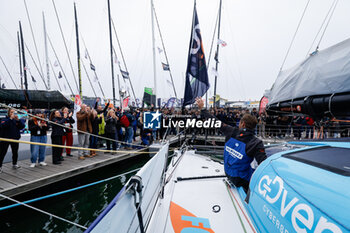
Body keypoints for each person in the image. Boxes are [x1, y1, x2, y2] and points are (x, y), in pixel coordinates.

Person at [196, 97, 267, 192]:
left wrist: (202, 108)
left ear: (242, 124)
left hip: (228, 173)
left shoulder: (231, 131)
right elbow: (264, 164)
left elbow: (215, 122)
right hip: (242, 180)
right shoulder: (256, 143)